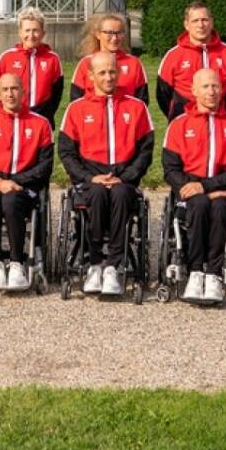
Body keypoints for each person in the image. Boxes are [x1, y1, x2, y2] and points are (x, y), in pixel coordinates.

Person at [58, 50, 154, 297]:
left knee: (121, 194)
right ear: (90, 76)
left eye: (113, 71)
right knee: (98, 194)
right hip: (90, 178)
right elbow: (67, 152)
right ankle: (94, 263)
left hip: (124, 177)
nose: (109, 77)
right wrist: (89, 177)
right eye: (102, 72)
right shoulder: (77, 109)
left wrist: (127, 176)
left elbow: (145, 150)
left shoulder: (136, 107)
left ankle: (113, 265)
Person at [162, 68, 226, 303]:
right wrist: (198, 188)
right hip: (190, 192)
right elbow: (170, 170)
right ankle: (195, 272)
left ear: (222, 90)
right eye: (205, 86)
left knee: (221, 208)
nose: (211, 91)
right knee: (199, 205)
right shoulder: (179, 125)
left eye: (215, 86)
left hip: (224, 192)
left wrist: (206, 186)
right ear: (193, 90)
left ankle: (213, 274)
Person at [0, 73, 54, 291]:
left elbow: (45, 167)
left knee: (10, 201)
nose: (10, 93)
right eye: (5, 89)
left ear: (23, 92)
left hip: (25, 188)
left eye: (14, 88)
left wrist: (15, 182)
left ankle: (16, 262)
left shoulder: (41, 124)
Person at [156, 1, 226, 120]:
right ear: (186, 25)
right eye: (195, 21)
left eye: (204, 20)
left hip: (220, 120)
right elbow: (163, 94)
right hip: (184, 123)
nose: (200, 25)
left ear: (211, 22)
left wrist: (225, 108)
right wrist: (177, 114)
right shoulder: (173, 56)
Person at [0, 7, 64, 124]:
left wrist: (46, 113)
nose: (31, 35)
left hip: (41, 120)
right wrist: (4, 115)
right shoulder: (6, 58)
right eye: (27, 30)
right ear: (20, 32)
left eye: (35, 30)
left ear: (43, 33)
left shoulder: (52, 59)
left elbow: (56, 94)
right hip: (11, 120)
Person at [68, 12, 148, 103]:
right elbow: (76, 100)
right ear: (98, 34)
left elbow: (142, 101)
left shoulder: (134, 64)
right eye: (109, 33)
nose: (114, 38)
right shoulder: (86, 63)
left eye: (119, 33)